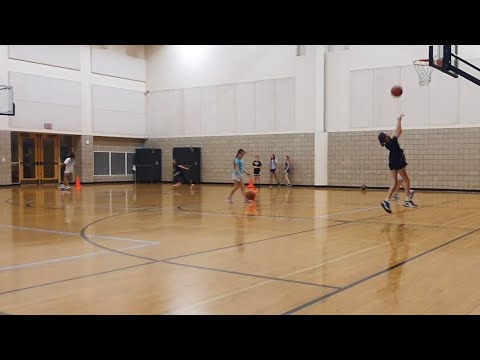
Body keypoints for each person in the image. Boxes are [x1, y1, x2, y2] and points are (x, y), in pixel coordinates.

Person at [378, 113, 416, 213]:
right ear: (385, 138)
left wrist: (397, 127)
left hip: (392, 161)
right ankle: (407, 200)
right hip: (397, 161)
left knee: (395, 183)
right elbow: (398, 131)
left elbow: (399, 131)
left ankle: (386, 201)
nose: (388, 134)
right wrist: (399, 120)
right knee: (407, 180)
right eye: (386, 135)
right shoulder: (392, 142)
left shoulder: (388, 143)